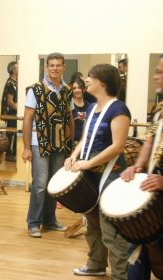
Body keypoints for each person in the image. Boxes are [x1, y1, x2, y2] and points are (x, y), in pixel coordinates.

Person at [64, 64, 131, 279]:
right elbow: (85, 139)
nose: (86, 80)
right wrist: (74, 155)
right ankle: (96, 264)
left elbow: (117, 146)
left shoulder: (119, 109)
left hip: (110, 175)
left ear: (102, 82)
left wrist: (87, 164)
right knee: (91, 223)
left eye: (90, 77)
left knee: (110, 230)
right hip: (91, 172)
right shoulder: (93, 107)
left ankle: (121, 275)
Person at [121, 54, 163, 280]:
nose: (156, 76)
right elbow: (149, 139)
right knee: (138, 247)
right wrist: (138, 166)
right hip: (155, 192)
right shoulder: (160, 108)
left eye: (161, 72)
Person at [22, 52, 73, 238]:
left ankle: (49, 220)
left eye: (58, 65)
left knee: (54, 184)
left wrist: (71, 145)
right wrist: (26, 147)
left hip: (60, 143)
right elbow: (27, 119)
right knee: (40, 184)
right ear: (46, 67)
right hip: (39, 142)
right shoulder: (34, 89)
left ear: (63, 67)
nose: (55, 68)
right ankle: (33, 223)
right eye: (51, 65)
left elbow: (70, 119)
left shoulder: (67, 91)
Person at [1, 61, 18, 161]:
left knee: (15, 133)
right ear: (13, 70)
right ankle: (9, 154)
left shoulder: (16, 82)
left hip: (15, 112)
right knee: (11, 133)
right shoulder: (10, 83)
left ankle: (14, 153)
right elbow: (10, 101)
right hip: (12, 112)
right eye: (18, 67)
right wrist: (19, 110)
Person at [71, 78, 90, 144]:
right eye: (74, 88)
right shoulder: (69, 106)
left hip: (86, 142)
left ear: (84, 89)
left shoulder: (89, 105)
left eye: (79, 88)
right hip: (72, 142)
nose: (77, 90)